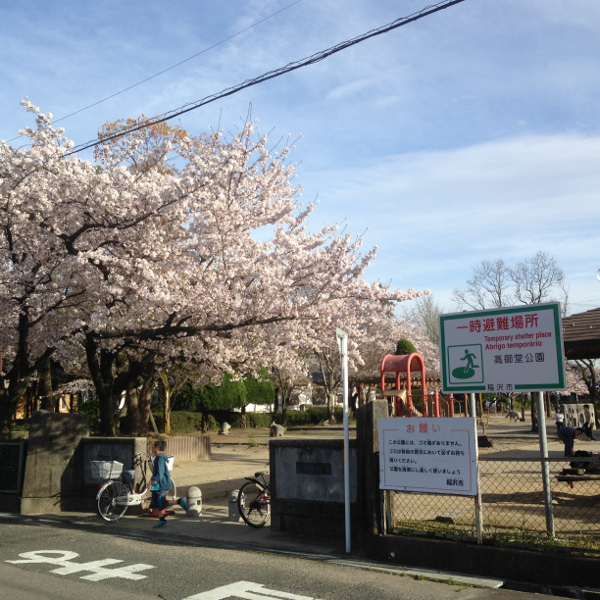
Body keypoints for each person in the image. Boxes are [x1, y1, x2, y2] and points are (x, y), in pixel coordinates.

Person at [150, 440, 188, 528]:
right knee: (155, 504)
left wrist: (155, 479)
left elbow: (160, 472)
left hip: (161, 485)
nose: (152, 449)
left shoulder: (159, 459)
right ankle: (162, 520)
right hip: (158, 485)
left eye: (153, 447)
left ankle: (179, 501)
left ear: (157, 448)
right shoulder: (160, 458)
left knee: (160, 503)